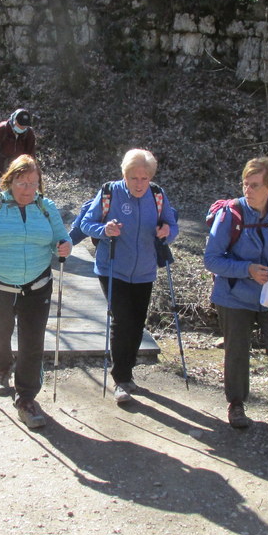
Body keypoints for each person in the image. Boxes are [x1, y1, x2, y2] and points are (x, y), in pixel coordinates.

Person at [0, 154, 71, 430]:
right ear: (10, 181)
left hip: (37, 285)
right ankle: (2, 367)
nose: (28, 190)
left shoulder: (46, 207)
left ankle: (26, 398)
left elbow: (61, 238)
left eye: (33, 183)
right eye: (23, 183)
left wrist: (63, 246)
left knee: (32, 342)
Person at [203, 157, 268, 435]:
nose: (248, 190)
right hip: (234, 297)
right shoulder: (230, 215)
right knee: (237, 351)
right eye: (245, 184)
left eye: (255, 185)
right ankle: (236, 405)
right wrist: (247, 269)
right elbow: (211, 260)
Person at [78, 149, 178, 404]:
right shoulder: (110, 192)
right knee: (122, 321)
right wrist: (105, 229)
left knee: (136, 323)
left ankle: (128, 370)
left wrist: (167, 231)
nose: (140, 184)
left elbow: (171, 225)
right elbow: (86, 224)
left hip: (145, 270)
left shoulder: (157, 195)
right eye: (134, 178)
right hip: (112, 268)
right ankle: (120, 379)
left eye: (145, 178)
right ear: (125, 174)